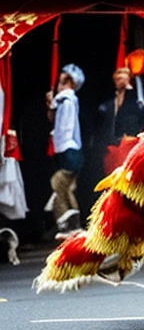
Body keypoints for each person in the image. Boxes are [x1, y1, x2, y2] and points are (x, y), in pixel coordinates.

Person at [46, 64, 85, 239]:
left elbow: (62, 101)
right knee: (67, 188)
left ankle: (68, 222)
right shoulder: (63, 100)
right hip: (66, 149)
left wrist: (53, 100)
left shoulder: (68, 98)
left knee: (59, 183)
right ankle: (71, 224)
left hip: (70, 149)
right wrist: (50, 103)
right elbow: (54, 119)